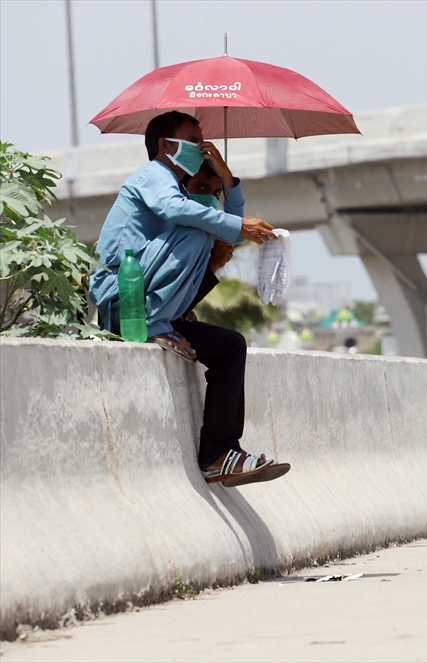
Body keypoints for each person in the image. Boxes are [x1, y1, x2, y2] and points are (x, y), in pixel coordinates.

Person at [88, 111, 287, 488]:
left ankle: (219, 454)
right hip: (124, 302)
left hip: (152, 307)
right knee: (196, 234)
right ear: (166, 145)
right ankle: (155, 324)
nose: (202, 148)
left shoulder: (178, 192)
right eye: (193, 141)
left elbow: (229, 235)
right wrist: (237, 224)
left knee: (231, 346)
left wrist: (228, 180)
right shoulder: (153, 176)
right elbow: (179, 212)